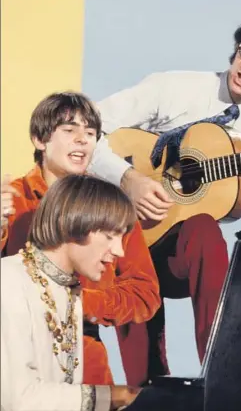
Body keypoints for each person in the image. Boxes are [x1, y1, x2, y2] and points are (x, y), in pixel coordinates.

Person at [87, 17, 241, 384]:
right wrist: (129, 179)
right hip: (127, 239)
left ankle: (221, 375)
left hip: (184, 255)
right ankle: (145, 389)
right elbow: (86, 124)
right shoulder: (174, 86)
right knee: (131, 269)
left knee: (205, 229)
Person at [0, 92, 161, 384]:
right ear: (40, 139)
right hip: (15, 347)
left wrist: (81, 303)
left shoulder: (113, 207)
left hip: (84, 348)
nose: (83, 140)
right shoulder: (11, 198)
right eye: (70, 130)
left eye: (90, 133)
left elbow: (145, 294)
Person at [1, 174, 143, 411]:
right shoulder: (9, 280)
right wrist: (116, 396)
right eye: (110, 236)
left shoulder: (69, 292)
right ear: (74, 224)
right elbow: (17, 399)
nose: (119, 250)